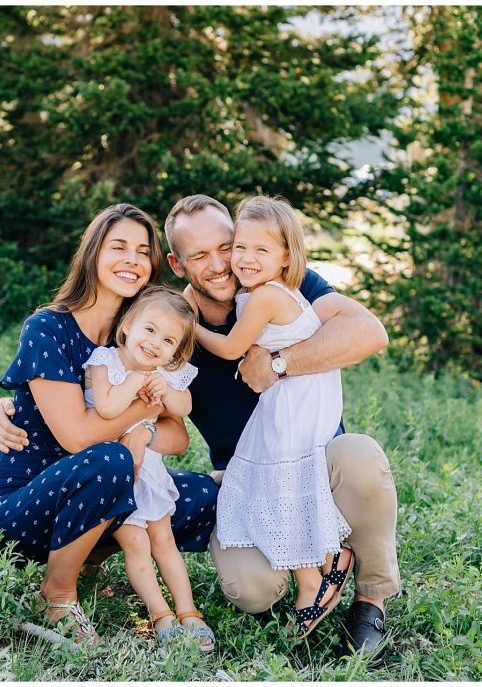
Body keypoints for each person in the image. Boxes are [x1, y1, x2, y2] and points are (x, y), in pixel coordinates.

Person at [0, 195, 399, 659]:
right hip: (245, 478)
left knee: (358, 455)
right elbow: (87, 388)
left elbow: (370, 332)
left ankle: (370, 600)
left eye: (228, 246)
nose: (225, 264)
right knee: (252, 590)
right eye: (200, 256)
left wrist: (281, 363)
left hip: (313, 459)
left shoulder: (279, 278)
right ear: (178, 265)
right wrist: (14, 406)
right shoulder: (170, 328)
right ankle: (74, 579)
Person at [0, 203, 217, 646]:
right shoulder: (49, 328)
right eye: (118, 246)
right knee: (110, 460)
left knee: (203, 495)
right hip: (20, 511)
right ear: (93, 253)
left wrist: (143, 431)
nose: (132, 260)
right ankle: (58, 593)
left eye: (143, 251)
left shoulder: (146, 336)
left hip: (100, 486)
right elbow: (78, 436)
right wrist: (141, 418)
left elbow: (178, 437)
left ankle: (85, 556)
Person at [183, 195, 354, 640]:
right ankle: (319, 564)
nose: (237, 260)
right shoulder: (253, 290)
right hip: (289, 400)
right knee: (271, 479)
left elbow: (229, 349)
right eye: (241, 247)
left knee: (279, 477)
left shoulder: (264, 295)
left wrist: (187, 322)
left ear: (286, 258)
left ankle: (314, 577)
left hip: (293, 399)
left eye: (259, 250)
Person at [83, 284, 215, 651]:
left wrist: (164, 389)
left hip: (150, 470)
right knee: (137, 543)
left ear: (175, 353)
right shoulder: (105, 361)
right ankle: (161, 615)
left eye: (169, 341)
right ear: (127, 325)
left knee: (164, 541)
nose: (156, 343)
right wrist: (138, 381)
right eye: (150, 329)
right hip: (113, 474)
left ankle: (189, 611)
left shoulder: (162, 373)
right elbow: (108, 408)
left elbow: (184, 405)